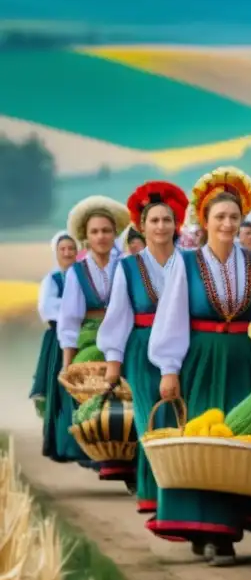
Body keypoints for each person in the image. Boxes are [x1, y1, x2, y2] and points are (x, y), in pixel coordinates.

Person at [147, 166, 251, 566]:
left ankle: (226, 532)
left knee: (236, 442)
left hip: (239, 360)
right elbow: (172, 316)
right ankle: (201, 528)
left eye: (234, 217)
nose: (228, 223)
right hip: (199, 360)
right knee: (198, 441)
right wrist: (169, 367)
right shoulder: (184, 263)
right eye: (220, 217)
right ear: (205, 221)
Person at [97, 181, 188, 516]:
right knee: (150, 421)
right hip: (141, 347)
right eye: (154, 221)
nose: (161, 226)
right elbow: (119, 315)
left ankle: (181, 489)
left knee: (180, 418)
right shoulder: (128, 267)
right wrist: (113, 362)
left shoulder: (189, 263)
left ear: (176, 224)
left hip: (182, 350)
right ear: (141, 226)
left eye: (167, 220)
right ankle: (153, 493)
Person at [57, 195, 134, 484]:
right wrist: (67, 364)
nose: (101, 237)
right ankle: (102, 443)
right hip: (90, 334)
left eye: (106, 230)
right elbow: (69, 319)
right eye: (95, 232)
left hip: (127, 331)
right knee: (88, 366)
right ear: (85, 237)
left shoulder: (128, 264)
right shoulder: (78, 272)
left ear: (115, 233)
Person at [33, 232, 77, 441]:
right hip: (57, 339)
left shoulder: (82, 275)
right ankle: (58, 437)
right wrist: (74, 310)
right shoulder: (52, 279)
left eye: (71, 249)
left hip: (80, 336)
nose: (67, 253)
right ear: (57, 252)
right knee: (58, 385)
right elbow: (47, 307)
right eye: (63, 249)